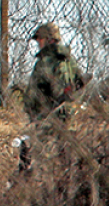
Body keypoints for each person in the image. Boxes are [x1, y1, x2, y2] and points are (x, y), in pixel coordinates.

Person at [19, 22, 86, 172]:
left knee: (34, 152)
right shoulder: (69, 60)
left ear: (49, 40)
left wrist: (32, 112)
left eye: (40, 39)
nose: (38, 43)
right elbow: (80, 82)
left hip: (47, 118)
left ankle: (28, 178)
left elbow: (33, 94)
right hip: (68, 117)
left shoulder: (45, 62)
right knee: (66, 156)